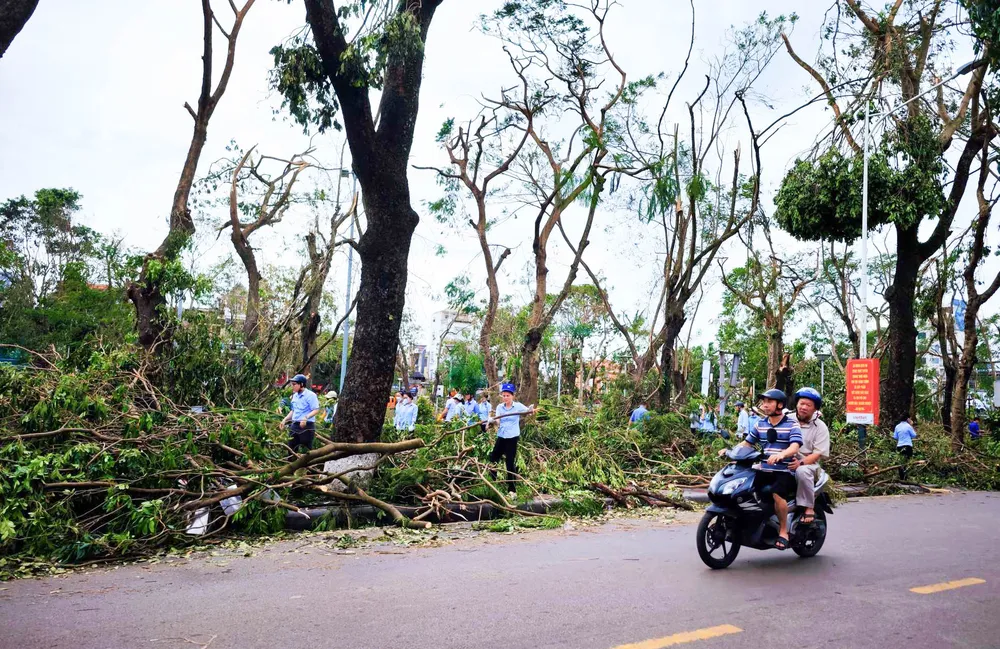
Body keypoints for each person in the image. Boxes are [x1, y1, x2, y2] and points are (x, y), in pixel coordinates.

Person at [719, 388, 801, 550]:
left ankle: (783, 531)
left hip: (784, 470)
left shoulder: (792, 424)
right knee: (743, 488)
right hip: (763, 468)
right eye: (764, 402)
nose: (765, 405)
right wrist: (731, 451)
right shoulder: (760, 424)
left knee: (777, 494)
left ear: (780, 405)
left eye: (769, 402)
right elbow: (747, 443)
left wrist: (781, 455)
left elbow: (795, 446)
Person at [788, 387, 830, 525]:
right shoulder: (787, 419)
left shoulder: (820, 427)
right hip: (785, 458)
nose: (804, 407)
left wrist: (800, 463)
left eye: (808, 405)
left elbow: (818, 453)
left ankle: (808, 507)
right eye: (801, 403)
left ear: (814, 409)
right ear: (796, 404)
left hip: (808, 463)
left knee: (802, 471)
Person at [490, 382, 535, 496]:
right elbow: (498, 421)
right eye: (504, 395)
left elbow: (528, 412)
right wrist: (493, 421)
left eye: (508, 395)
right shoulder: (500, 407)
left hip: (512, 437)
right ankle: (491, 484)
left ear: (512, 396)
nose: (505, 398)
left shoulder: (518, 406)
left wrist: (531, 410)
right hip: (501, 436)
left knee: (510, 462)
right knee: (493, 459)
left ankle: (512, 490)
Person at [280, 374, 320, 456]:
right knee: (291, 449)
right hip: (294, 425)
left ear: (301, 384)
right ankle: (291, 465)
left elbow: (316, 410)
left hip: (306, 426)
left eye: (294, 384)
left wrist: (305, 418)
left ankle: (308, 467)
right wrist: (285, 420)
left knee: (306, 451)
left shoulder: (311, 395)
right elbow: (293, 410)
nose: (292, 386)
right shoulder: (295, 396)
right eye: (292, 384)